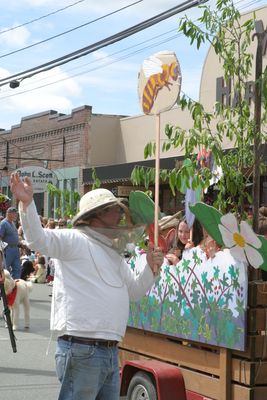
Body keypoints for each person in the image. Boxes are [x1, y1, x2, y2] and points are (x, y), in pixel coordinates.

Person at [10, 173, 164, 400]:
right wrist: (28, 202)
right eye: (114, 209)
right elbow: (37, 239)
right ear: (97, 215)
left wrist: (151, 268)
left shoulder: (114, 254)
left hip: (109, 350)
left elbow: (134, 291)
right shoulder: (73, 240)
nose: (120, 214)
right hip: (81, 348)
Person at [0, 207, 21, 279]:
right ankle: (4, 287)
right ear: (9, 214)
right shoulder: (3, 224)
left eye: (16, 214)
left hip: (15, 249)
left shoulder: (13, 223)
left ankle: (15, 287)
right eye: (14, 214)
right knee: (5, 270)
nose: (16, 215)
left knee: (17, 269)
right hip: (7, 250)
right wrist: (2, 249)